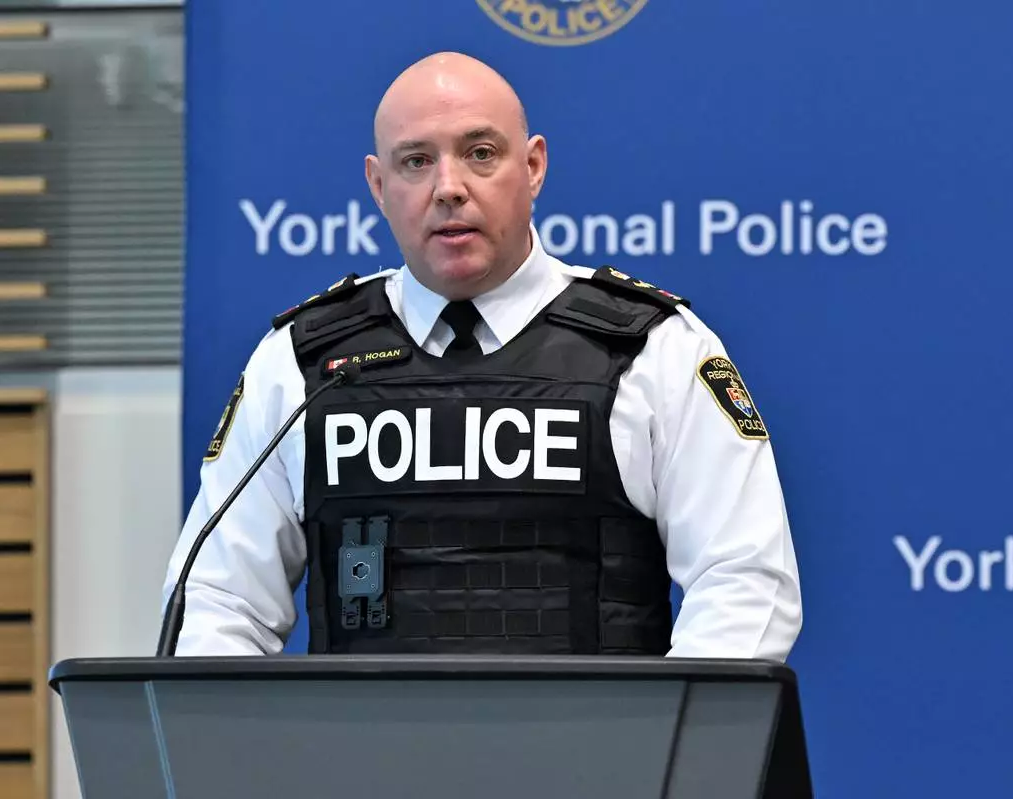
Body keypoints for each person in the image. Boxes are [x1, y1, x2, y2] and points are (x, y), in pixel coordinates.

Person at [162, 51, 802, 660]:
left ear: (534, 166)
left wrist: (668, 734)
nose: (449, 187)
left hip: (602, 742)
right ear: (379, 186)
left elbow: (745, 580)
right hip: (363, 743)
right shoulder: (302, 364)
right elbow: (217, 604)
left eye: (481, 153)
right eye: (416, 162)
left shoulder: (652, 349)